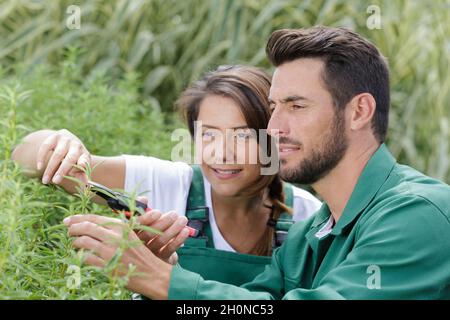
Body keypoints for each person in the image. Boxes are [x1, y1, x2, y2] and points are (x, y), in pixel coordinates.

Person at [57, 26, 450, 299]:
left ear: (359, 111)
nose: (274, 127)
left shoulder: (416, 213)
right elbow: (250, 302)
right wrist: (164, 265)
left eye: (297, 106)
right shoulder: (310, 234)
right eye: (274, 107)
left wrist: (163, 280)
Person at [11, 65, 321, 286]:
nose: (222, 153)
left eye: (242, 137)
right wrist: (57, 142)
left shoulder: (309, 215)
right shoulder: (168, 183)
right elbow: (27, 158)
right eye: (209, 135)